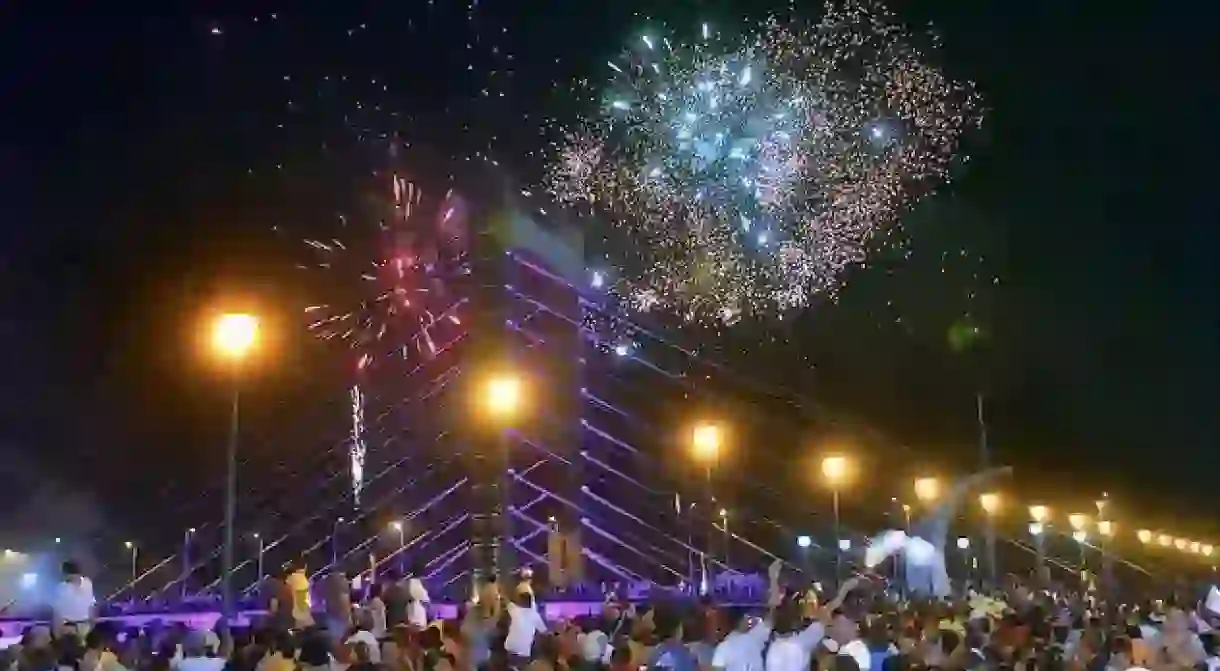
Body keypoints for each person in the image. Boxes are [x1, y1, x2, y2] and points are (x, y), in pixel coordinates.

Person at [52, 561, 95, 638]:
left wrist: (92, 623)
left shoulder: (87, 583)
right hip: (67, 626)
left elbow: (91, 605)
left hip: (84, 625)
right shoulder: (61, 587)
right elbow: (57, 611)